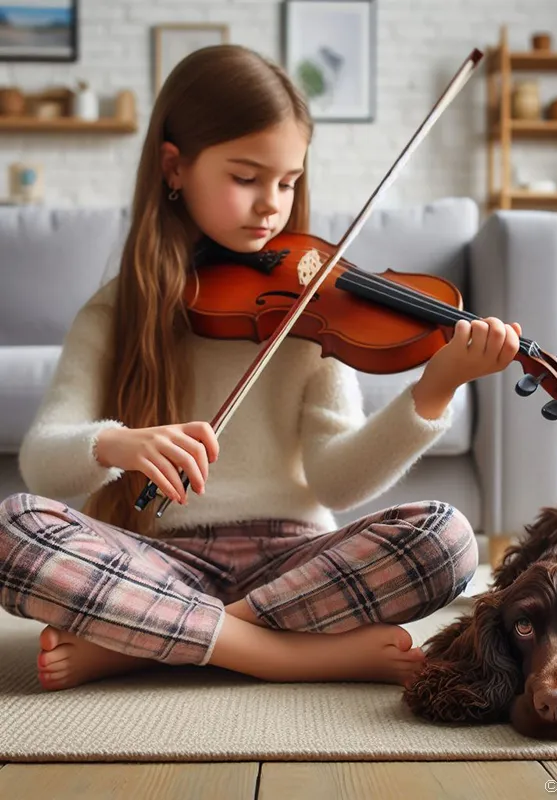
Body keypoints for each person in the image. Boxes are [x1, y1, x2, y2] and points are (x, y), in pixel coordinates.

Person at [0, 45, 521, 693]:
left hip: (292, 560)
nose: (272, 205)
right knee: (13, 527)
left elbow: (335, 480)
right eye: (246, 178)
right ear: (174, 166)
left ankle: (148, 643)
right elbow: (45, 462)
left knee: (449, 539)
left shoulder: (313, 306)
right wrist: (118, 443)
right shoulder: (114, 313)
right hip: (161, 561)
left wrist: (434, 390)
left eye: (288, 182)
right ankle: (285, 654)